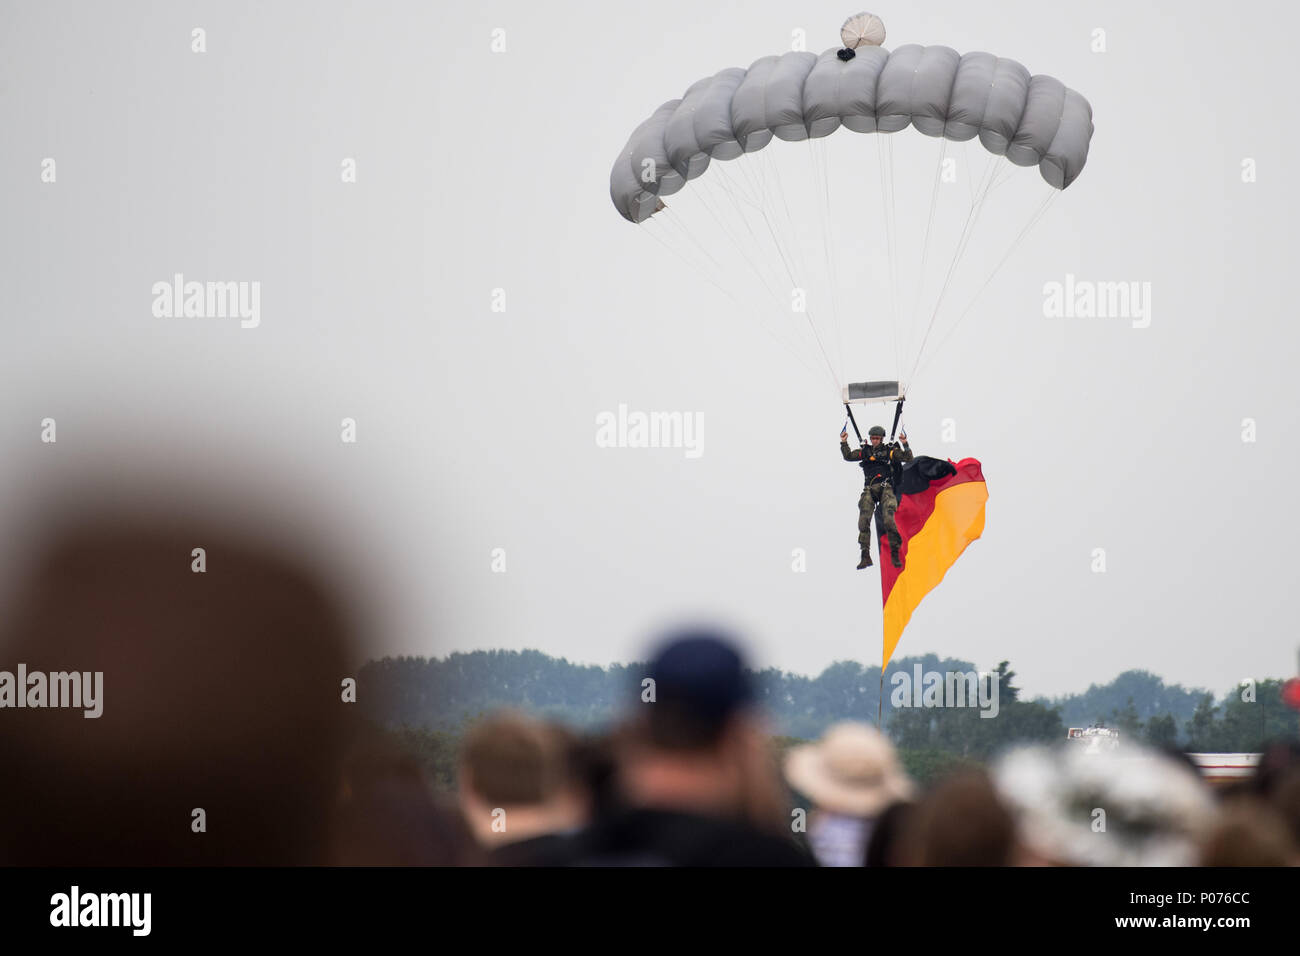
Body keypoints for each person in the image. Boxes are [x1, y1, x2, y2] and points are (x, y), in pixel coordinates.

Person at [840, 424, 913, 569]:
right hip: (869, 489)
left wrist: (905, 444)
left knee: (888, 520)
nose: (874, 441)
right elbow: (848, 456)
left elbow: (908, 458)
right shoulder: (865, 452)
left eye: (877, 439)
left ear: (882, 439)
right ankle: (865, 555)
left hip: (886, 488)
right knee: (863, 519)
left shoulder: (889, 452)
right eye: (872, 438)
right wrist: (844, 442)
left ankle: (895, 553)